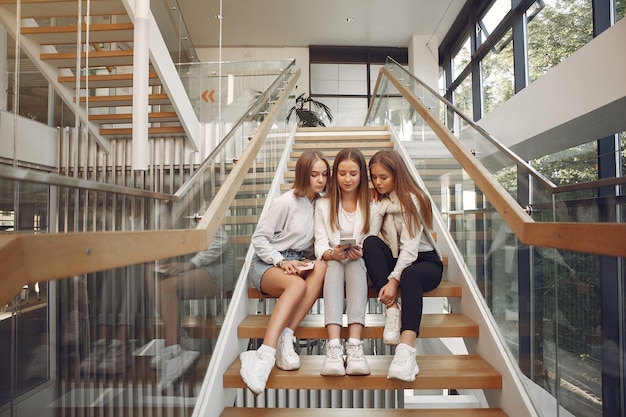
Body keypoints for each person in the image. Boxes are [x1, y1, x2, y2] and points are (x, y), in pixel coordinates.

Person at [240, 150, 329, 395]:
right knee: (297, 286)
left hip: (298, 262)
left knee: (322, 266)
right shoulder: (285, 201)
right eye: (314, 175)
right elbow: (258, 238)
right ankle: (265, 355)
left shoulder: (321, 204)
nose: (320, 180)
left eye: (324, 174)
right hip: (268, 264)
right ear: (303, 175)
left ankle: (286, 337)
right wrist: (280, 261)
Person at [363, 149, 443, 382]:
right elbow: (371, 235)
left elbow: (410, 248)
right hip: (398, 260)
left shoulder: (413, 200)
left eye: (383, 177)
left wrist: (393, 279)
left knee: (408, 275)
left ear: (397, 175)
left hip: (424, 263)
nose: (377, 182)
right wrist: (376, 208)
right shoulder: (382, 201)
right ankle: (392, 310)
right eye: (374, 177)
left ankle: (406, 351)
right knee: (370, 243)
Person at [146, 213, 237, 390]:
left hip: (220, 265)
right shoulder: (161, 211)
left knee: (167, 286)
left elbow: (221, 240)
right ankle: (178, 340)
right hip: (194, 265)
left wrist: (189, 265)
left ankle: (172, 349)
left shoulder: (197, 209)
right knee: (150, 272)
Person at [314, 148, 370, 376]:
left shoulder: (371, 203)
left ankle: (355, 345)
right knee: (335, 265)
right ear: (335, 174)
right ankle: (334, 347)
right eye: (342, 173)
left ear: (361, 175)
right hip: (334, 263)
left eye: (353, 174)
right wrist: (331, 254)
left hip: (359, 264)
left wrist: (361, 252)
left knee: (354, 264)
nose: (348, 179)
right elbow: (319, 242)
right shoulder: (323, 204)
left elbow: (375, 240)